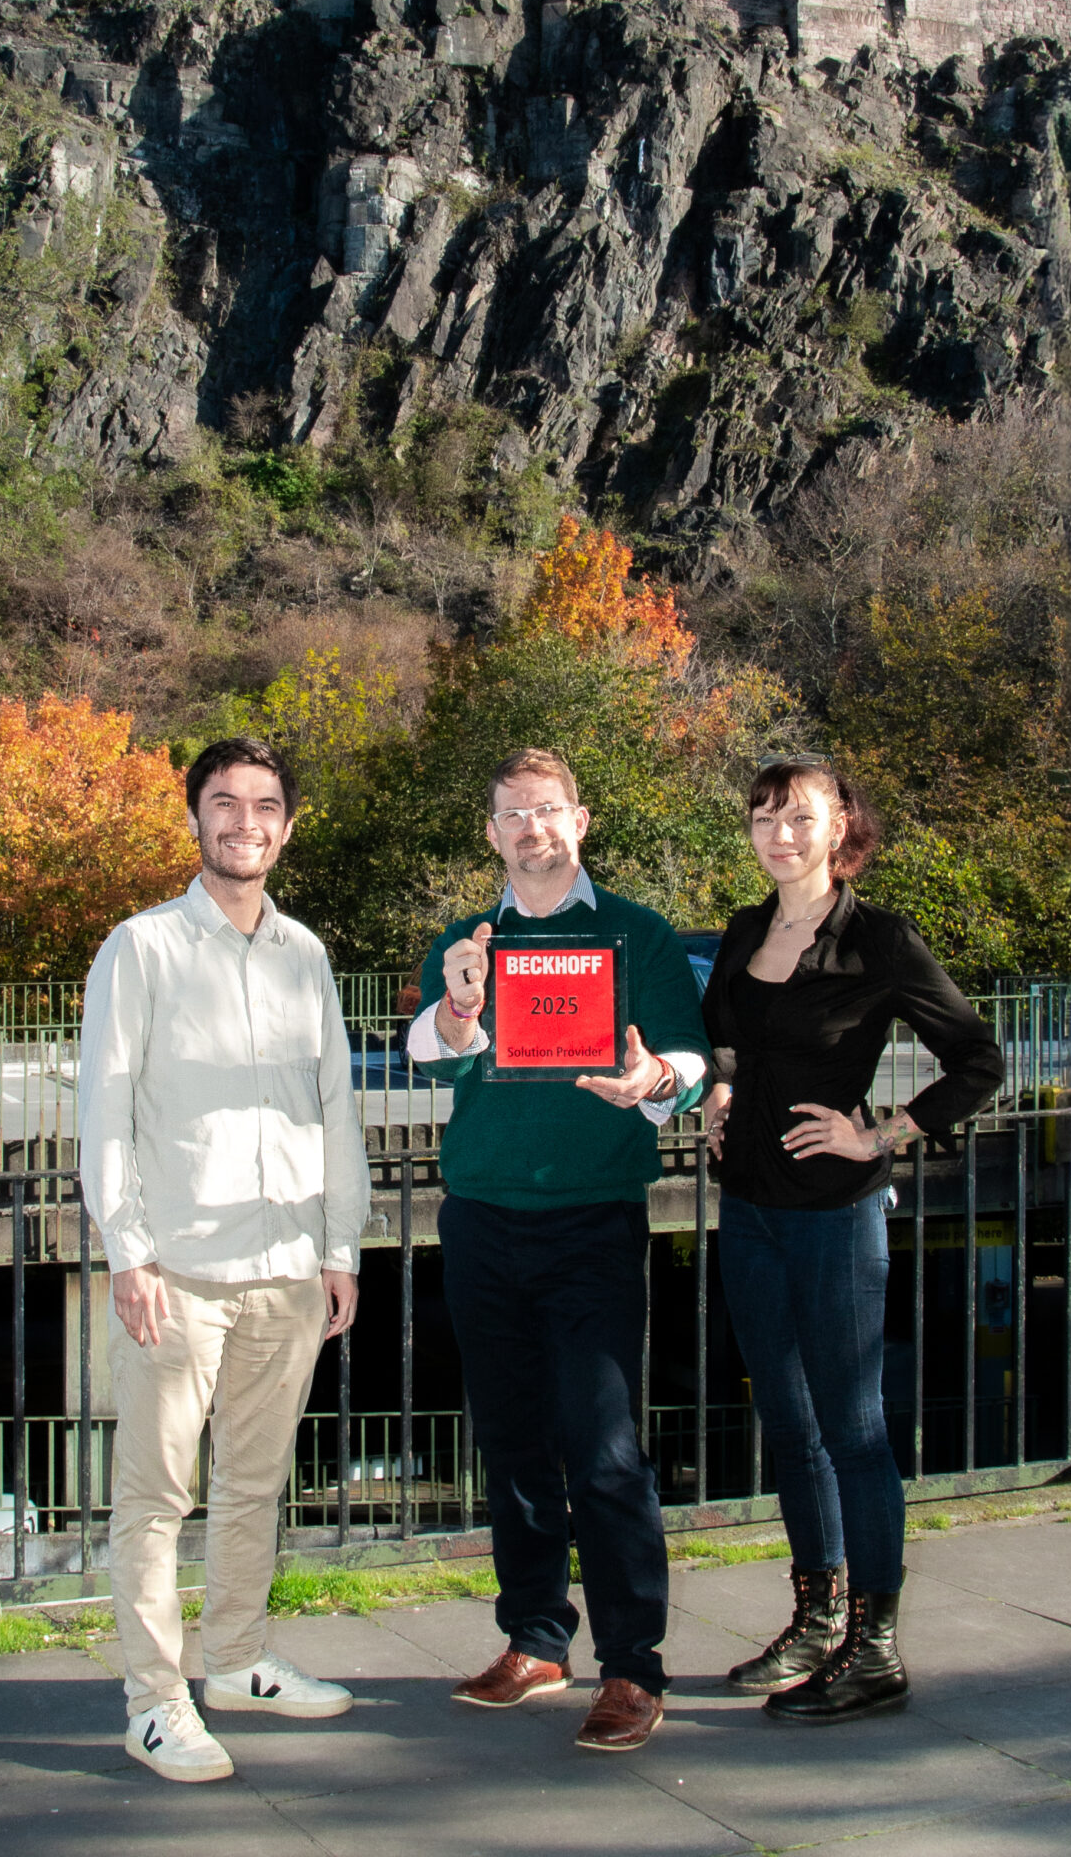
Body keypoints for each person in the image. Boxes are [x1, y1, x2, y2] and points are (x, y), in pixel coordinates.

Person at [78, 735, 371, 1784]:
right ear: (195, 816)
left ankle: (239, 1659)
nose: (244, 819)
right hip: (179, 1276)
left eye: (263, 804)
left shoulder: (307, 954)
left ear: (287, 826)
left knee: (256, 1484)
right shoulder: (142, 948)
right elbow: (104, 1111)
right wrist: (129, 1252)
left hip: (288, 1272)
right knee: (155, 1500)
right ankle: (153, 1702)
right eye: (222, 801)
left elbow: (335, 1106)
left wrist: (341, 1247)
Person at [407, 747, 706, 1754]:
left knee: (607, 1451)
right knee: (513, 1440)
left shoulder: (639, 935)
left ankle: (633, 1666)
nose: (532, 828)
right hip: (484, 1218)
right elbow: (423, 1048)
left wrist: (659, 1075)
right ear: (491, 833)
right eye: (512, 814)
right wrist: (459, 1007)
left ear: (581, 819)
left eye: (548, 809)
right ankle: (535, 1639)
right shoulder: (466, 942)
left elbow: (693, 1063)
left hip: (593, 1222)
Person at [701, 758, 1004, 1723]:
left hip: (835, 1216)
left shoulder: (880, 939)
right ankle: (815, 1622)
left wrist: (880, 1133)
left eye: (798, 818)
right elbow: (732, 1041)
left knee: (853, 1431)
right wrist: (718, 1094)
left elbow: (978, 1059)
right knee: (788, 1428)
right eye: (762, 818)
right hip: (747, 1205)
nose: (777, 833)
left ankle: (875, 1650)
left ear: (839, 829)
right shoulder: (747, 930)